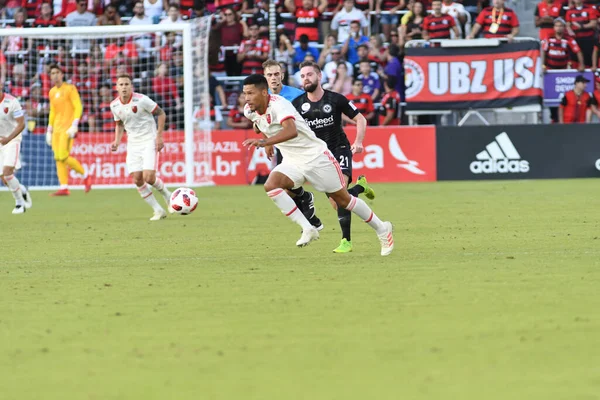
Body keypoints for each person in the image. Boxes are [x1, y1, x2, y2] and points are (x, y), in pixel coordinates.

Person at [242, 74, 394, 256]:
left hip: (316, 157)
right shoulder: (249, 110)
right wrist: (264, 136)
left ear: (264, 93)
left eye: (251, 93)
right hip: (292, 160)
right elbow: (258, 123)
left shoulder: (279, 104)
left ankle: (382, 229)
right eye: (245, 94)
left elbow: (291, 131)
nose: (247, 98)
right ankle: (308, 228)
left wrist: (265, 142)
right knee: (271, 185)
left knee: (343, 201)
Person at [293, 61, 378, 253]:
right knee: (337, 200)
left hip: (339, 149)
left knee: (340, 194)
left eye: (309, 75)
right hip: (319, 156)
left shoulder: (336, 99)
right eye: (303, 76)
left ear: (319, 76)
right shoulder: (297, 104)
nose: (306, 79)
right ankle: (360, 186)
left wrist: (358, 141)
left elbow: (360, 119)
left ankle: (346, 241)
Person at [263, 59, 323, 230]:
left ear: (282, 75)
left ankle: (308, 204)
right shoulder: (263, 96)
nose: (274, 78)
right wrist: (268, 142)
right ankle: (308, 208)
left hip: (303, 144)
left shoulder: (296, 95)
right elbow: (260, 121)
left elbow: (310, 116)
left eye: (276, 74)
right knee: (285, 189)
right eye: (270, 75)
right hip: (284, 146)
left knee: (329, 189)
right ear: (265, 77)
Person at [110, 74, 172, 221]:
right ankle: (158, 210)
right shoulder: (114, 105)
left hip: (149, 140)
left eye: (126, 84)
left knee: (149, 178)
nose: (124, 87)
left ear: (131, 86)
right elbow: (119, 124)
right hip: (133, 144)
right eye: (121, 85)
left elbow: (161, 113)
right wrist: (117, 141)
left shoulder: (142, 100)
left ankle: (168, 195)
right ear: (117, 87)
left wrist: (159, 136)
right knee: (137, 179)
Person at [46, 64, 92, 196]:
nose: (54, 75)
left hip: (68, 128)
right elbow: (53, 111)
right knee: (58, 158)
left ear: (62, 74)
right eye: (52, 73)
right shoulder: (52, 92)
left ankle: (86, 175)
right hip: (57, 130)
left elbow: (78, 106)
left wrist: (75, 124)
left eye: (57, 72)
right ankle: (64, 187)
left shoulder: (70, 89)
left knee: (63, 156)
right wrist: (49, 129)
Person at [0, 88, 32, 214]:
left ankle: (20, 204)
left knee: (7, 172)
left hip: (12, 140)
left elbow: (21, 124)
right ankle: (22, 189)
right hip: (1, 141)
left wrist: (8, 139)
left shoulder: (12, 102)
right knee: (4, 178)